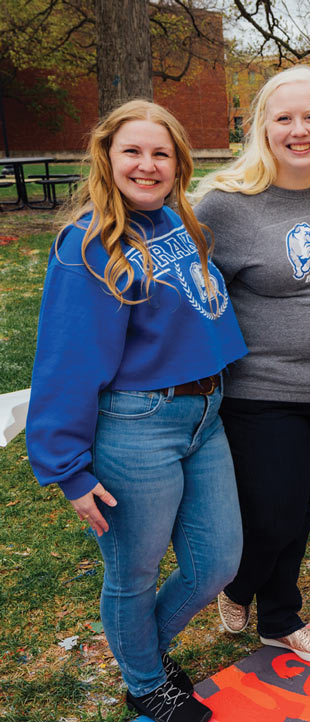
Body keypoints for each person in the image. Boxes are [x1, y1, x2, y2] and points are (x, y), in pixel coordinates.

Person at [25, 100, 246, 722]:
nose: (147, 165)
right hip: (137, 426)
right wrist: (68, 469)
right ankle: (146, 681)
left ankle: (142, 651)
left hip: (206, 415)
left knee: (217, 563)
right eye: (133, 152)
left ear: (179, 162)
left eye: (161, 153)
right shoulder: (90, 244)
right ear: (107, 158)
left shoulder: (181, 221)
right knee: (135, 572)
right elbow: (65, 360)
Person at [193, 65, 310, 664]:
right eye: (284, 118)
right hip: (263, 392)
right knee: (276, 514)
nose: (299, 130)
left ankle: (276, 619)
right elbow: (179, 286)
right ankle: (245, 588)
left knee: (296, 506)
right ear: (261, 127)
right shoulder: (225, 205)